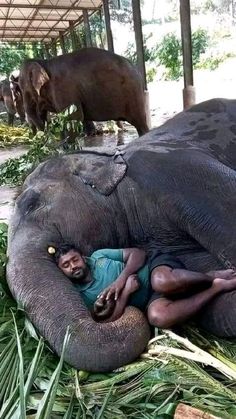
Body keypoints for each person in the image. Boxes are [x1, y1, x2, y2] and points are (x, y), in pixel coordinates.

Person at [50, 244, 236, 328]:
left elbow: (138, 254)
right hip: (149, 300)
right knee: (158, 317)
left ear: (82, 257)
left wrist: (120, 281)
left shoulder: (99, 256)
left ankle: (208, 277)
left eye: (75, 259)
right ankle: (216, 287)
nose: (73, 266)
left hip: (154, 269)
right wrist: (126, 293)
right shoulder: (81, 295)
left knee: (162, 282)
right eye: (66, 265)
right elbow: (105, 321)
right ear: (61, 271)